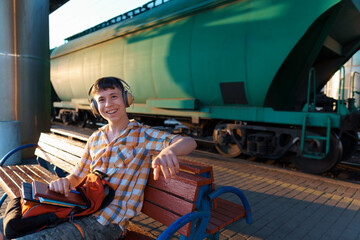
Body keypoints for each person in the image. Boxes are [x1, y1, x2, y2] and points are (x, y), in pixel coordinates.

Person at [0, 76, 196, 240]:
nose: (109, 104)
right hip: (81, 209)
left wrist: (169, 151)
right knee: (12, 225)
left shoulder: (142, 135)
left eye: (114, 96)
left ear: (126, 99)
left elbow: (188, 142)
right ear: (95, 106)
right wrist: (63, 183)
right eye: (101, 100)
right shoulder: (95, 139)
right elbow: (76, 177)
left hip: (107, 223)